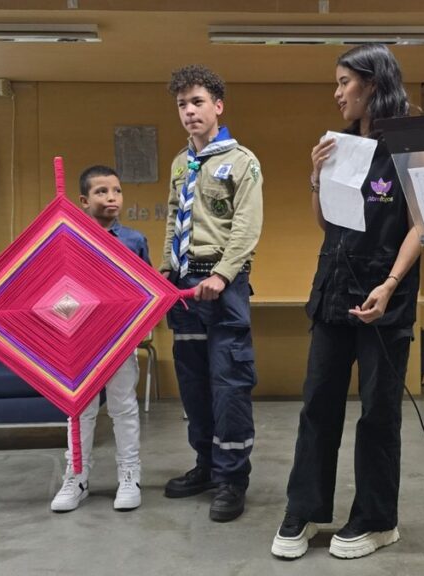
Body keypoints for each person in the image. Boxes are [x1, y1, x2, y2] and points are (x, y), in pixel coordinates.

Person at [271, 44, 422, 560]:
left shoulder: (410, 144)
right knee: (318, 404)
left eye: (343, 83)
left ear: (372, 84)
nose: (337, 94)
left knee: (378, 413)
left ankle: (378, 519)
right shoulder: (339, 145)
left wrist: (391, 283)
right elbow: (328, 222)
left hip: (385, 300)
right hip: (334, 292)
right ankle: (306, 509)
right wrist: (315, 177)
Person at [159, 64, 263, 523]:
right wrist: (165, 270)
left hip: (222, 285)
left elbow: (246, 226)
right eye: (182, 104)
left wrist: (221, 275)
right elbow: (170, 220)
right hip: (183, 287)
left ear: (218, 106)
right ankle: (205, 465)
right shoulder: (181, 164)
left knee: (228, 386)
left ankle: (231, 479)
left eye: (197, 102)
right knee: (194, 386)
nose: (189, 111)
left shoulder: (242, 160)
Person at [50, 165, 150, 513]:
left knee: (123, 408)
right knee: (80, 411)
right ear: (83, 200)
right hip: (79, 341)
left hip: (120, 341)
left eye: (117, 191)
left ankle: (129, 475)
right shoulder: (67, 240)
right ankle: (76, 476)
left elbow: (147, 292)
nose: (112, 198)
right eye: (102, 192)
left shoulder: (134, 241)